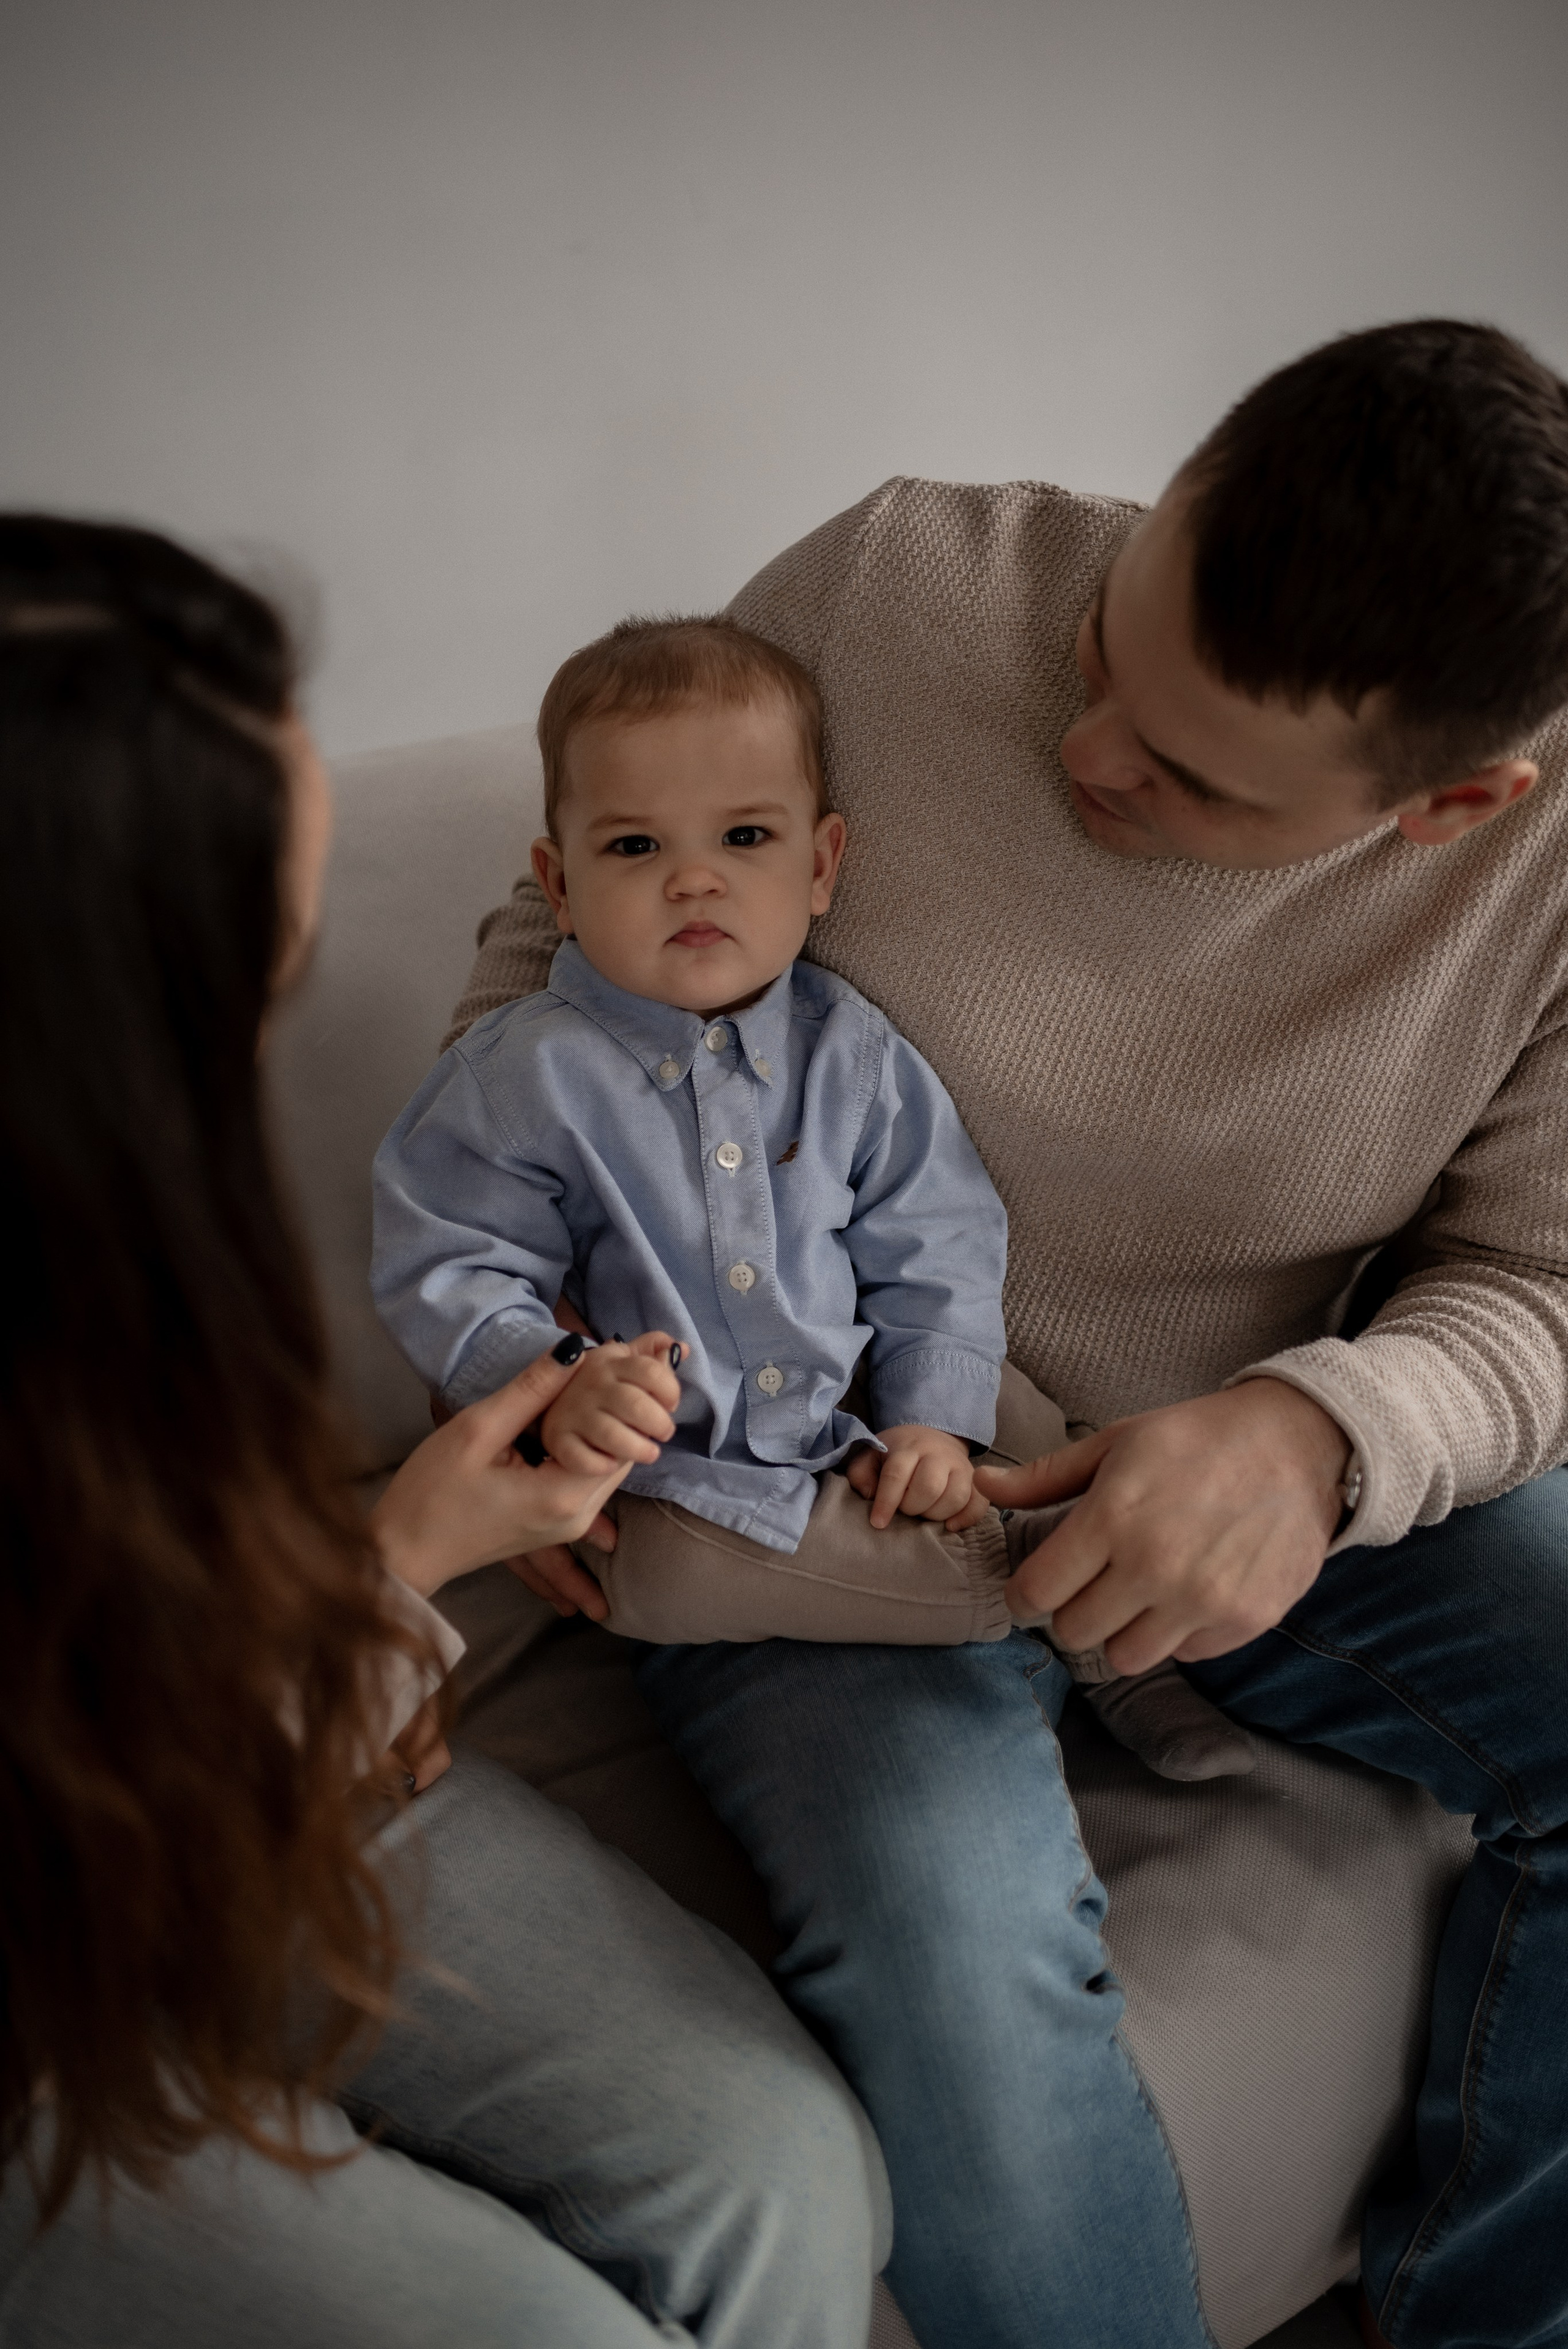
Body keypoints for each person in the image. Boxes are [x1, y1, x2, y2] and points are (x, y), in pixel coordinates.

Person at [451, 319, 1568, 2349]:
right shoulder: (895, 582)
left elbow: (1540, 1288)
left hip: (1231, 1444)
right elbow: (556, 949)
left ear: (1457, 804)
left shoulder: (1551, 877)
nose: (1088, 754)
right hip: (795, 1468)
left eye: (1193, 773)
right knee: (966, 1959)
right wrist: (528, 1343)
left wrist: (1319, 1435)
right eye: (1104, 659)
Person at [0, 516, 891, 2349]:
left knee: (782, 2164)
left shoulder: (133, 1191)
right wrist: (397, 1574)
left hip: (244, 1736)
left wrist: (363, 1591)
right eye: (262, 941)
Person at [371, 615, 1249, 1779]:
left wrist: (933, 1418)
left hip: (867, 1403)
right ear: (559, 884)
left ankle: (1105, 1634)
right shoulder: (521, 1074)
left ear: (822, 864)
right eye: (633, 848)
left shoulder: (854, 1051)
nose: (694, 877)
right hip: (688, 1468)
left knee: (1030, 1417)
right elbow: (451, 1259)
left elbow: (934, 1234)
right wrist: (559, 1384)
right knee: (664, 1579)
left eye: (745, 836)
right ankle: (1043, 1595)